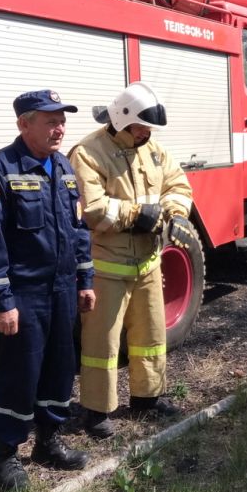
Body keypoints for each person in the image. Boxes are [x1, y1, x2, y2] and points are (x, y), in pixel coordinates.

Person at [0, 89, 96, 492]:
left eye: (62, 120)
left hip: (62, 290)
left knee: (61, 366)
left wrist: (85, 281)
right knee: (20, 373)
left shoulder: (62, 167)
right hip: (24, 294)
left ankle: (48, 441)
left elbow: (78, 231)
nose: (59, 128)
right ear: (24, 123)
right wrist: (1, 302)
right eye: (49, 120)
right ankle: (5, 455)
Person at [69, 81, 195, 438]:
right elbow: (92, 210)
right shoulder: (89, 152)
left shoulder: (151, 149)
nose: (147, 132)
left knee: (151, 335)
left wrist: (174, 213)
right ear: (122, 119)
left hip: (148, 262)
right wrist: (139, 215)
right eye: (142, 126)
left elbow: (178, 186)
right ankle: (96, 411)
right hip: (107, 266)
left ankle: (147, 398)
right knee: (102, 344)